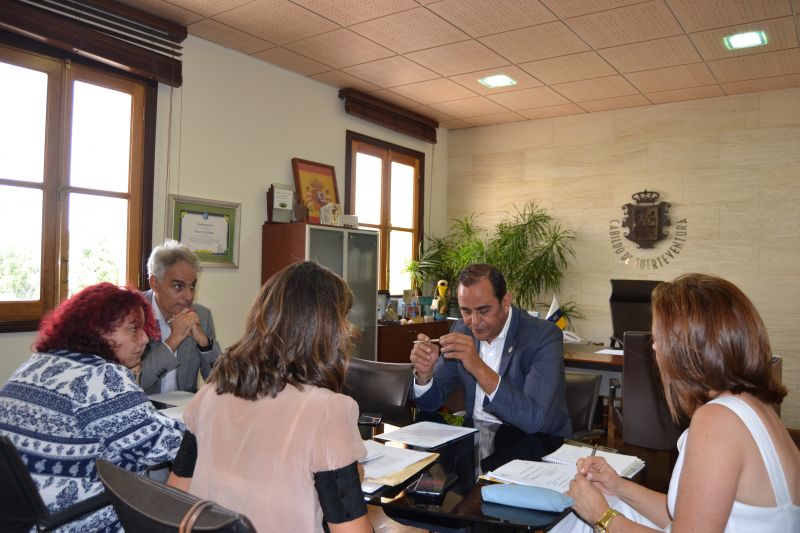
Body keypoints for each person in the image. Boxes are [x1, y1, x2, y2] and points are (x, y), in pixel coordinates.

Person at [558, 274, 799, 532]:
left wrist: (601, 516)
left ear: (685, 349)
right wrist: (619, 486)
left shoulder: (718, 421)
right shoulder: (755, 407)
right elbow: (689, 515)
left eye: (658, 337)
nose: (655, 348)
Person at [168, 261, 372, 533]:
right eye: (344, 320)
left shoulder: (210, 393)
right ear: (329, 330)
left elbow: (175, 497)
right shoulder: (327, 409)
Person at [0, 283, 184, 532]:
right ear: (98, 331)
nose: (144, 338)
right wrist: (201, 420)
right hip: (76, 519)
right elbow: (165, 446)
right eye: (133, 329)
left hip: (24, 517)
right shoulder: (100, 376)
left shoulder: (37, 363)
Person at [409, 263, 571, 438]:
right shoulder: (462, 330)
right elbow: (430, 403)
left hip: (536, 446)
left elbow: (533, 419)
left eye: (483, 310)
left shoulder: (543, 337)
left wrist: (478, 367)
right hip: (478, 443)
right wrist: (424, 375)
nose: (475, 322)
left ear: (506, 302)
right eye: (466, 311)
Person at [139, 240, 221, 394]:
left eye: (192, 286)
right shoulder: (132, 314)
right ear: (154, 283)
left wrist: (204, 343)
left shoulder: (201, 316)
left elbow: (223, 382)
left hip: (183, 412)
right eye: (178, 286)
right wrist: (174, 340)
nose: (189, 296)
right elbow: (133, 381)